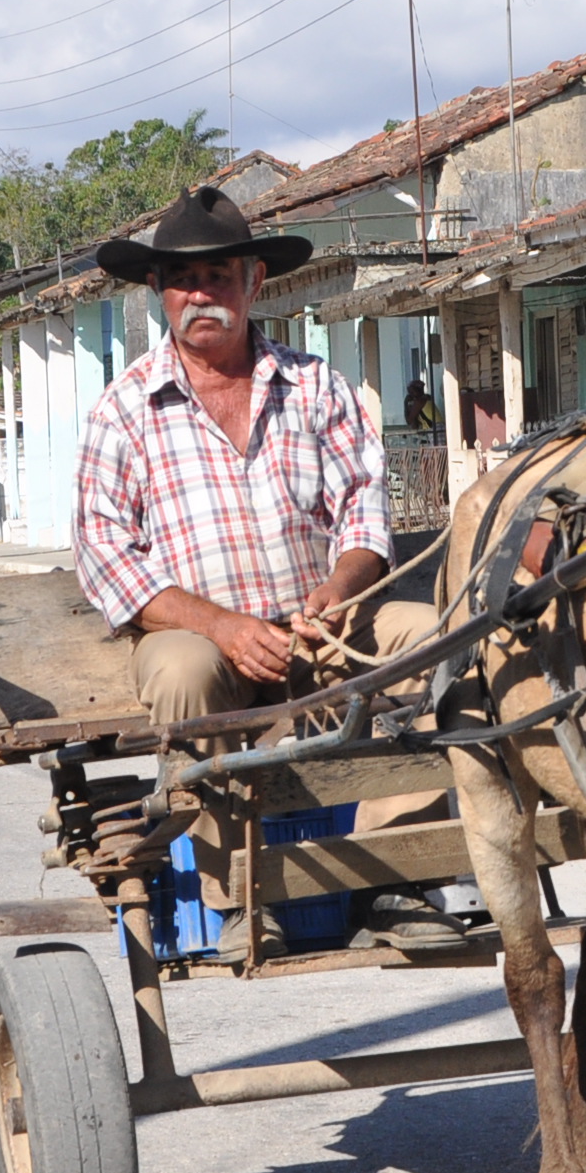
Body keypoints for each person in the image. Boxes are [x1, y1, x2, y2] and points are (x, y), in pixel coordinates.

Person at [72, 186, 448, 960]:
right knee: (181, 672)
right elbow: (106, 556)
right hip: (198, 636)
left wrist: (341, 590)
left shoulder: (315, 388)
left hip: (324, 627)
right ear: (158, 292)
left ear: (253, 283)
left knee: (438, 638)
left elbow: (363, 514)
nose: (200, 293)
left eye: (219, 276)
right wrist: (222, 627)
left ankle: (398, 875)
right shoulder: (123, 411)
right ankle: (241, 896)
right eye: (183, 278)